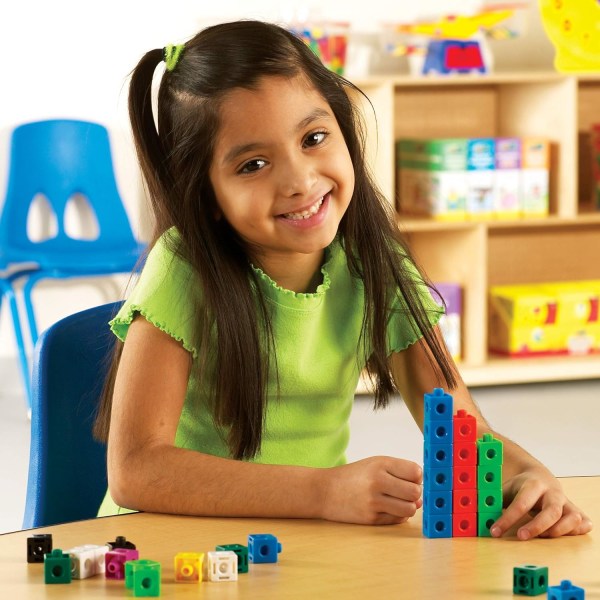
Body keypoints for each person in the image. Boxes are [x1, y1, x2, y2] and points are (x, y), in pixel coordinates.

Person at [93, 20, 591, 540]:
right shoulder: (183, 268)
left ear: (343, 126)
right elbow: (136, 471)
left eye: (313, 138)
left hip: (299, 544)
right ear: (204, 194)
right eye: (253, 164)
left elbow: (462, 431)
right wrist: (325, 492)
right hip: (168, 547)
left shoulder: (375, 263)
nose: (300, 180)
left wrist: (530, 477)